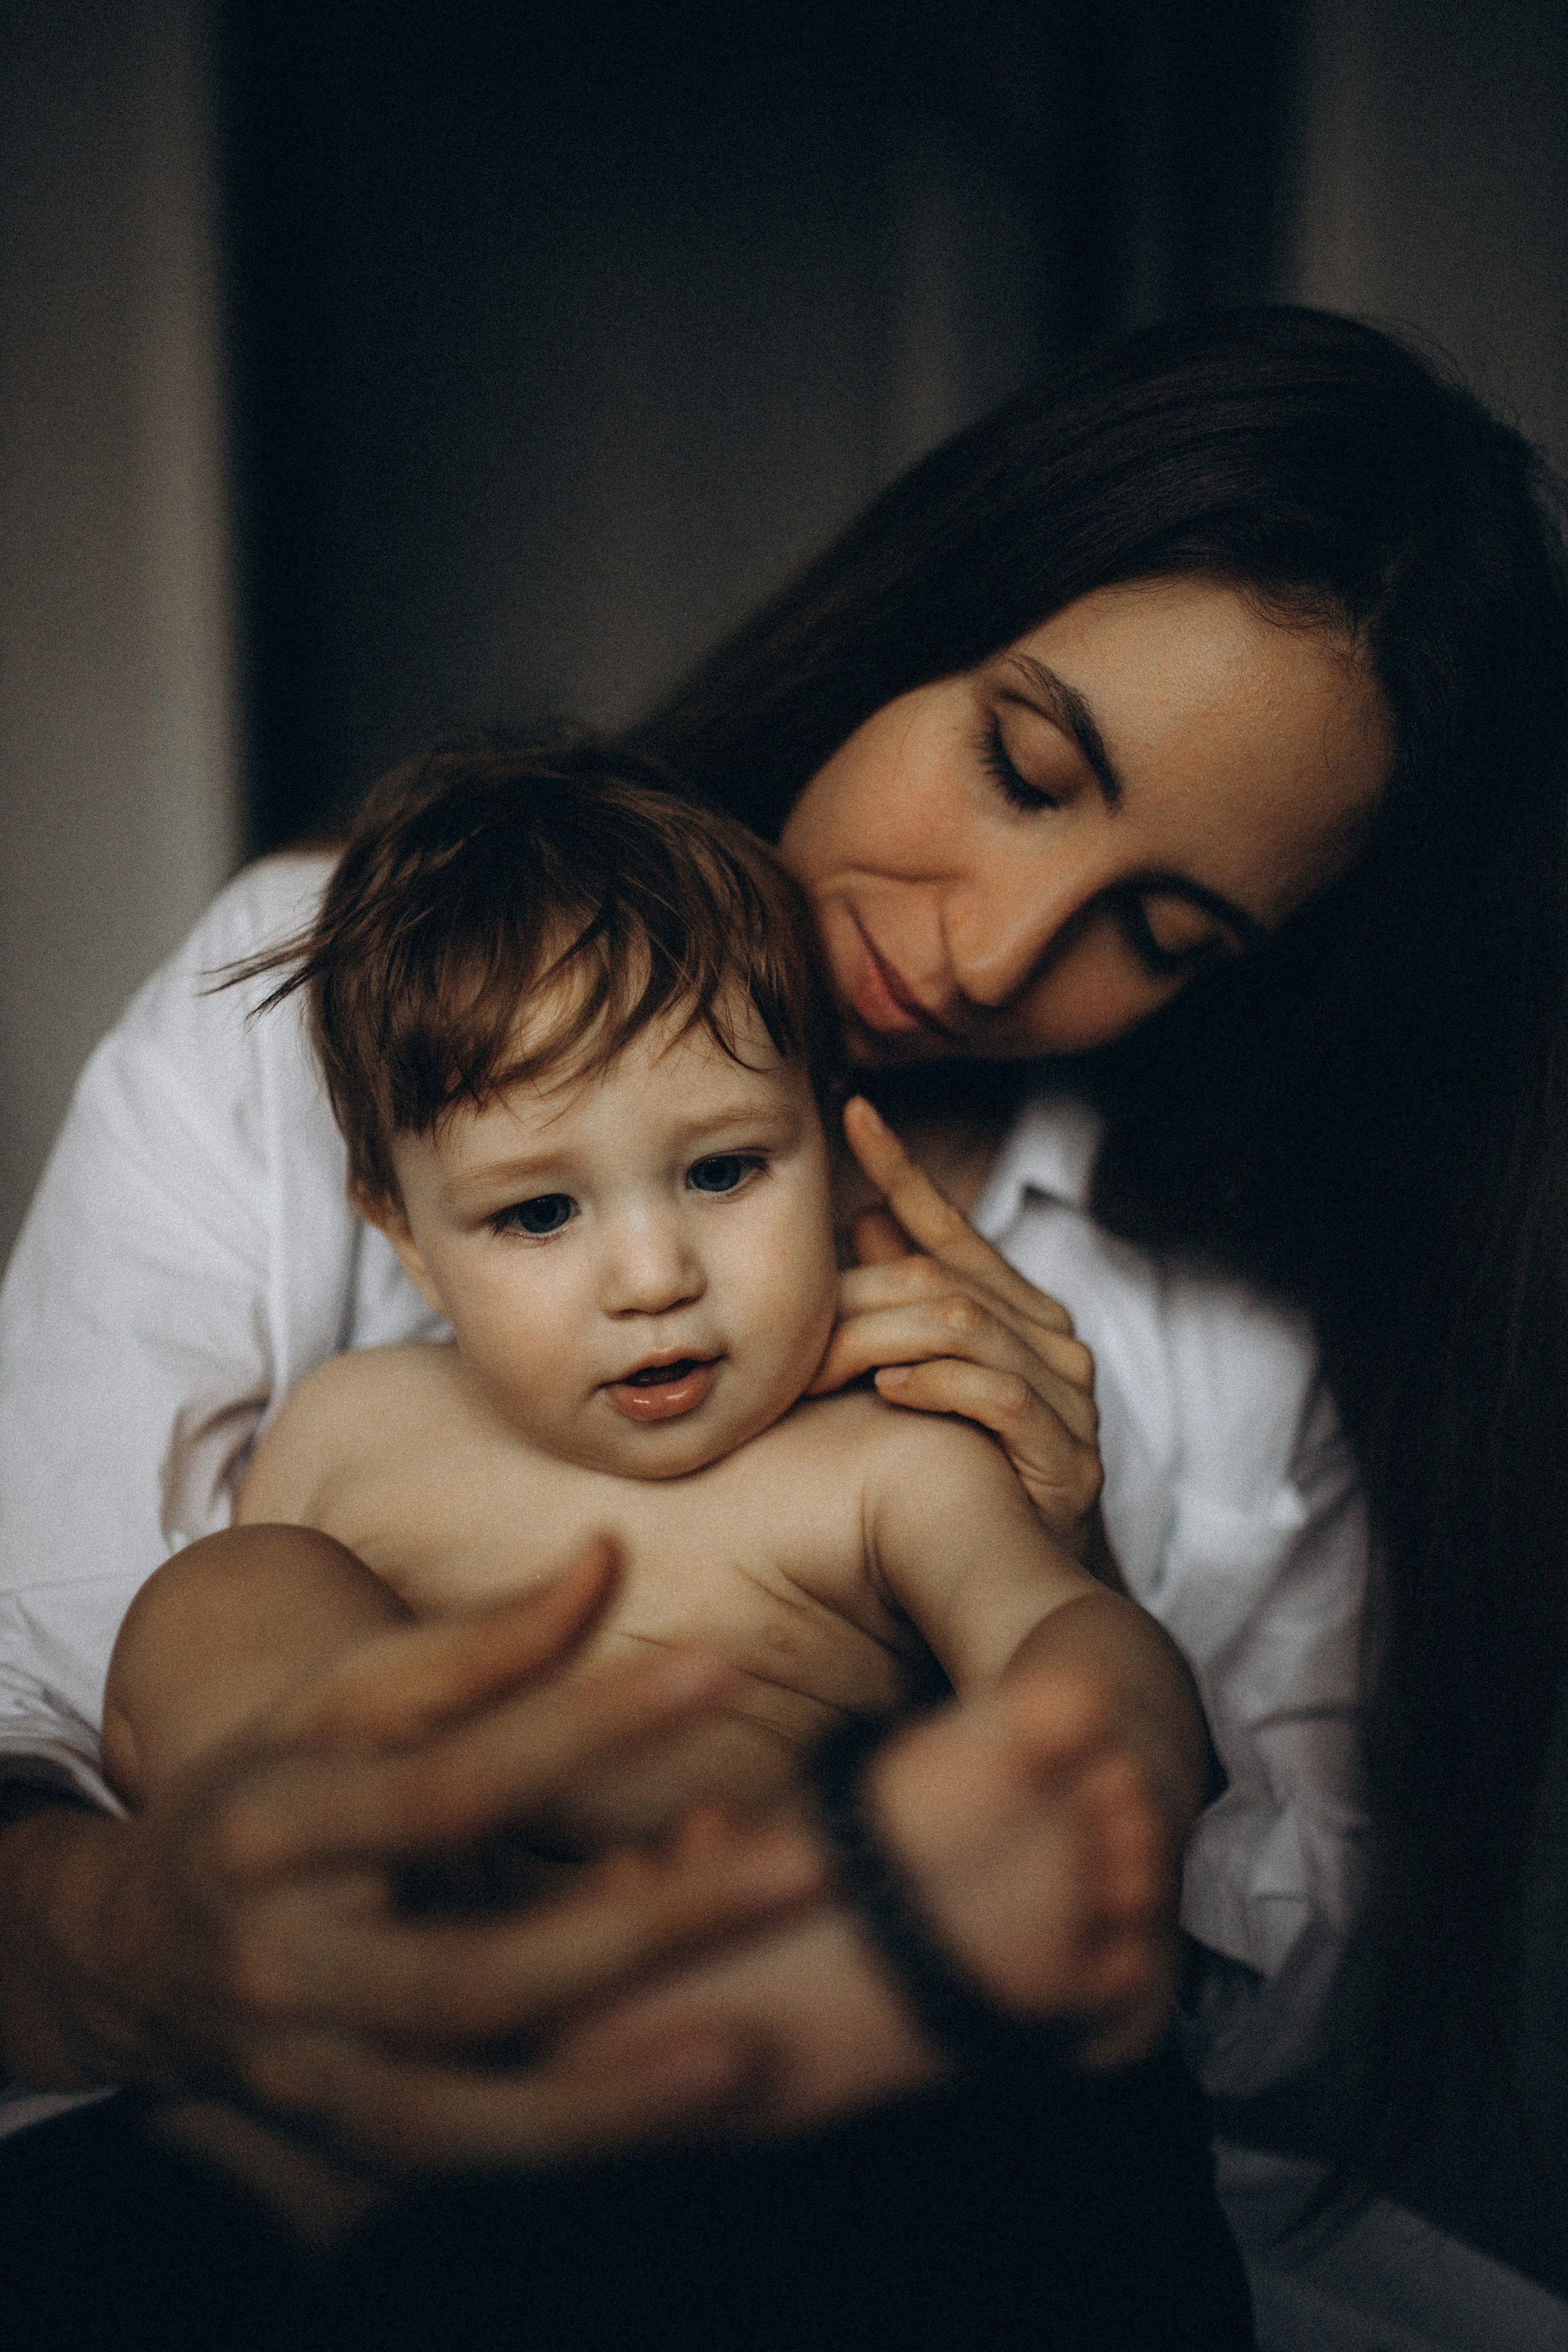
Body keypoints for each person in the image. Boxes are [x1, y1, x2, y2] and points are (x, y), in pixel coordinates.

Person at [0, 306, 1563, 2330]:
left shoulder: (1117, 1364)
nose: (996, 953)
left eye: (1164, 933)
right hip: (424, 2093)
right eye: (1018, 768)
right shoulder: (326, 1050)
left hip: (891, 2093)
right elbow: (45, 1695)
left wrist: (1069, 1614)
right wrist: (218, 1899)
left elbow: (1239, 1977)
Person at [100, 742, 1208, 2239]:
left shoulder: (883, 1464)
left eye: (722, 1172)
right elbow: (165, 1709)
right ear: (408, 1239)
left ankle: (830, 1982)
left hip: (758, 2029)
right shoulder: (354, 1426)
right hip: (417, 1978)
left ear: (829, 1149)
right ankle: (364, 1995)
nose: (651, 1276)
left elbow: (1052, 1624)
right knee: (220, 1590)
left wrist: (1089, 1761)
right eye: (538, 1211)